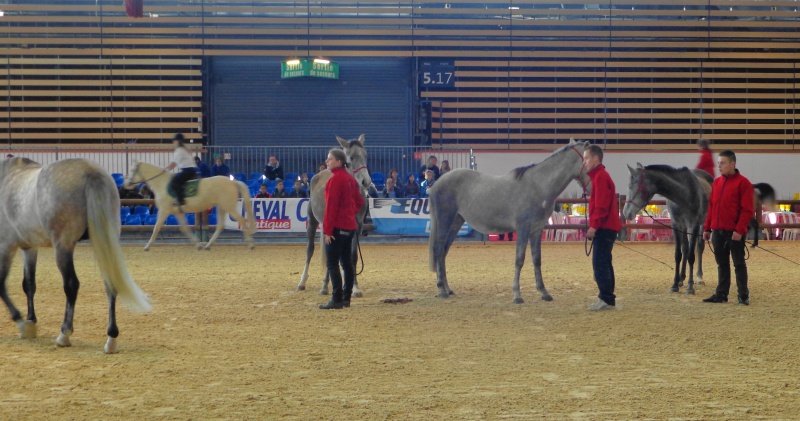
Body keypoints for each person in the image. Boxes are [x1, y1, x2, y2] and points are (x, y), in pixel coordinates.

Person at [702, 150, 755, 305]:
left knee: (738, 263)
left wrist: (739, 230)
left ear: (733, 164)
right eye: (718, 163)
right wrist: (707, 228)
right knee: (722, 264)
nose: (720, 166)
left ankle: (743, 295)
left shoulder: (743, 183)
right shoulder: (716, 183)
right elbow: (711, 207)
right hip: (717, 231)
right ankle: (721, 293)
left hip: (734, 233)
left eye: (723, 163)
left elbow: (747, 210)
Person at [319, 148, 364, 310]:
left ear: (338, 161)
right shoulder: (351, 179)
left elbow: (331, 207)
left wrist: (328, 231)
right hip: (349, 227)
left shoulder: (333, 180)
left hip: (337, 227)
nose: (327, 161)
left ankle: (336, 298)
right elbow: (359, 202)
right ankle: (346, 298)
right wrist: (350, 213)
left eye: (329, 159)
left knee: (332, 263)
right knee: (347, 264)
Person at [584, 144, 621, 311]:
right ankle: (607, 297)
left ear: (595, 158)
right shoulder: (600, 176)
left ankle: (605, 297)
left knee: (600, 263)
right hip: (608, 227)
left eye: (586, 158)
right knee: (605, 262)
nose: (584, 162)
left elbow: (601, 206)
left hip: (604, 227)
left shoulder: (600, 177)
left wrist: (594, 226)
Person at [164, 133, 197, 207]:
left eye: (174, 140)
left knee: (173, 182)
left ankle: (180, 200)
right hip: (191, 170)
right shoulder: (184, 149)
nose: (173, 142)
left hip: (187, 171)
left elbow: (173, 164)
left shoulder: (179, 150)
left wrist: (164, 170)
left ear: (178, 141)